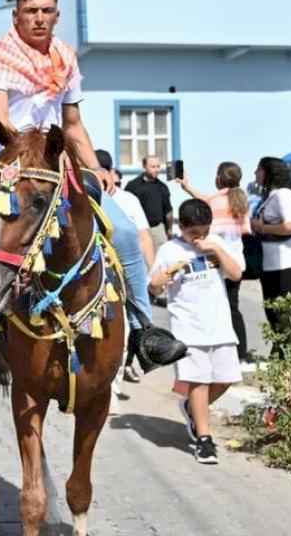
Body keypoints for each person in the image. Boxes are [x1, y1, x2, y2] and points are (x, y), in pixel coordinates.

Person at [0, 0, 186, 386]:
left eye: (46, 11)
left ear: (57, 16)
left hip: (59, 168)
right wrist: (31, 152)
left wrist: (97, 169)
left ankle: (144, 333)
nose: (38, 19)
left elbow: (73, 124)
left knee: (128, 234)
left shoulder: (65, 57)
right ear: (16, 17)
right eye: (30, 12)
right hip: (11, 169)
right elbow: (1, 118)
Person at [150, 199, 244, 465]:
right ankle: (204, 440)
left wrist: (214, 249)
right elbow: (154, 286)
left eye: (204, 232)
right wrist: (162, 278)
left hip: (220, 325)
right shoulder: (170, 249)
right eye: (194, 234)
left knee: (226, 378)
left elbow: (236, 274)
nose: (198, 238)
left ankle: (192, 409)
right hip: (188, 326)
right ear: (182, 228)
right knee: (198, 380)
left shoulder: (216, 244)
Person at [178, 162, 253, 363]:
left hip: (217, 262)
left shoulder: (214, 201)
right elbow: (246, 230)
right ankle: (241, 353)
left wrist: (187, 187)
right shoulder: (242, 200)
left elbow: (205, 204)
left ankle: (220, 352)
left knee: (218, 308)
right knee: (234, 308)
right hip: (236, 262)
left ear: (219, 178)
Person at [96, 150, 154, 386]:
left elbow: (143, 237)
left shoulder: (128, 200)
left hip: (119, 272)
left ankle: (148, 337)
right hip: (91, 269)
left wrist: (151, 272)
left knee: (130, 322)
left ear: (108, 173)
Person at [250, 157, 291, 359]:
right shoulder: (270, 196)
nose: (255, 174)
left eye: (258, 170)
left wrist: (262, 227)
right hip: (269, 262)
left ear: (268, 172)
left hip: (284, 261)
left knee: (285, 311)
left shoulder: (284, 195)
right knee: (272, 310)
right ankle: (280, 349)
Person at [125, 155, 175, 250]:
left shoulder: (162, 187)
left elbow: (168, 211)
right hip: (139, 230)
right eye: (153, 167)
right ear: (144, 166)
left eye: (158, 166)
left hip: (158, 230)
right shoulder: (133, 186)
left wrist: (169, 230)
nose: (156, 170)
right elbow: (125, 209)